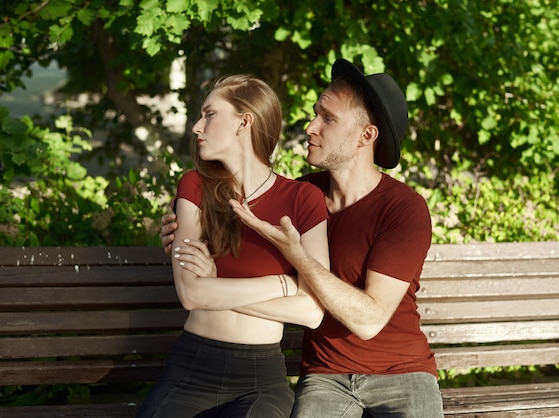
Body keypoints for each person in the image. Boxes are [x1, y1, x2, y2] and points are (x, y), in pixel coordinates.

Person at [161, 59, 444, 417]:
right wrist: (181, 233)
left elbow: (369, 321)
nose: (310, 127)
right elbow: (223, 246)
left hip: (402, 373)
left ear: (366, 136)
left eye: (328, 118)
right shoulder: (302, 196)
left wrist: (219, 288)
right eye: (315, 114)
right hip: (325, 375)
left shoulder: (403, 208)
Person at [138, 74, 329, 418]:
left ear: (244, 121)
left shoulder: (303, 198)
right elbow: (193, 295)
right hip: (192, 369)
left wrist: (217, 287)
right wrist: (285, 285)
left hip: (262, 378)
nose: (197, 127)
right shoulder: (194, 186)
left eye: (209, 114)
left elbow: (312, 313)